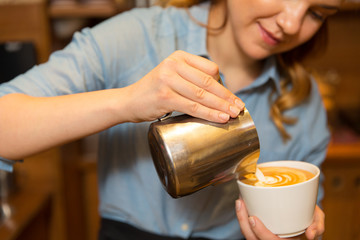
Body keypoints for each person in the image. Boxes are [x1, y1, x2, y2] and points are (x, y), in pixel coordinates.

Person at [0, 0, 342, 239]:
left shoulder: (303, 100)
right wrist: (127, 101)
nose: (292, 23)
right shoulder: (137, 36)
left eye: (316, 12)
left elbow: (303, 220)